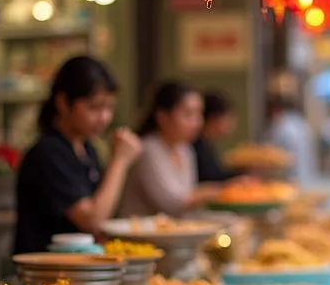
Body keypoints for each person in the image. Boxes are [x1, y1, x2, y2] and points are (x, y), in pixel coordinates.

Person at [14, 55, 142, 254]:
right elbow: (92, 220)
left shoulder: (86, 149)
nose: (104, 118)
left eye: (109, 108)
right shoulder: (48, 153)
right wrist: (120, 160)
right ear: (63, 103)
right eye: (95, 107)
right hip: (49, 274)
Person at [121, 81, 224, 217]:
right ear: (163, 117)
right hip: (139, 233)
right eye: (188, 114)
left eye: (199, 114)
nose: (197, 123)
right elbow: (173, 203)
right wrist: (219, 191)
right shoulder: (148, 149)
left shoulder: (185, 149)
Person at [266, 95, 316, 185]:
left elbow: (272, 151)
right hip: (305, 173)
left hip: (289, 175)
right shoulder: (301, 122)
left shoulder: (282, 125)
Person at [193, 91, 236, 183]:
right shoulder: (195, 145)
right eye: (227, 119)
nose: (231, 125)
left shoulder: (205, 143)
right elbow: (210, 178)